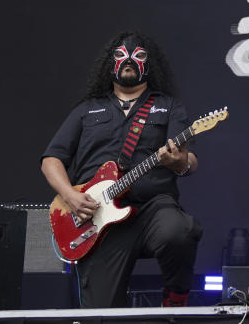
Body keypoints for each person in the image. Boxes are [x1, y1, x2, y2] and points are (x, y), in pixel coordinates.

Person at [41, 31, 203, 308]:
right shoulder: (87, 109)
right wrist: (70, 196)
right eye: (121, 56)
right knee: (101, 312)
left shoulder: (168, 106)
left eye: (138, 56)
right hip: (97, 219)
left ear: (149, 65)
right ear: (111, 64)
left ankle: (176, 298)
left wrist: (178, 162)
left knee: (179, 230)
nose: (128, 60)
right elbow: (51, 159)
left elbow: (189, 160)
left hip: (152, 208)